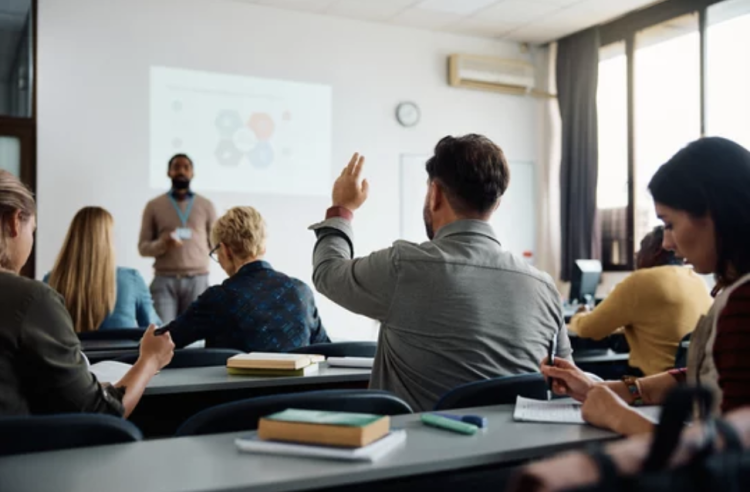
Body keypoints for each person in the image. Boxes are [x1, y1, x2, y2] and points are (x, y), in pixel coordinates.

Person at [309, 135, 571, 411]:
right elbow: (566, 381)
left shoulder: (405, 267)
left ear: (435, 194)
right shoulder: (544, 287)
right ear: (496, 203)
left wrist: (342, 208)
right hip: (518, 452)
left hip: (417, 452)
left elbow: (328, 272)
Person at [541, 137, 750, 436]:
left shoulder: (744, 302)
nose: (666, 242)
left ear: (712, 213)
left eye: (670, 224)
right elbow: (700, 378)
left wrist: (618, 417)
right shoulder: (724, 289)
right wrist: (601, 388)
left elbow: (731, 456)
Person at [0, 170, 174, 416]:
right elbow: (99, 410)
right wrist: (150, 360)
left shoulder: (51, 280)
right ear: (15, 222)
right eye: (33, 230)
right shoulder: (32, 299)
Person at [165, 206, 329, 352]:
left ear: (225, 250)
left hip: (235, 387)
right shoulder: (301, 292)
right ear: (263, 246)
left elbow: (165, 341)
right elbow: (327, 349)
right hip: (298, 387)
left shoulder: (218, 298)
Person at [568, 226, 712, 376]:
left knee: (586, 374)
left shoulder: (642, 280)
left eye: (640, 249)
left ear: (653, 251)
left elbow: (588, 329)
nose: (637, 255)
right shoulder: (697, 280)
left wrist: (578, 316)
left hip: (652, 383)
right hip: (691, 380)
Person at [45, 207, 162, 332]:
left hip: (72, 352)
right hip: (121, 352)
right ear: (107, 240)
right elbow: (156, 330)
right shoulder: (131, 280)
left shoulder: (51, 281)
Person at [139, 154, 217, 323]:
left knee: (196, 339)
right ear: (169, 172)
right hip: (164, 281)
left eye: (186, 167)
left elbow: (216, 244)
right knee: (163, 335)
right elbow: (143, 248)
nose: (181, 171)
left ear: (192, 173)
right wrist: (163, 244)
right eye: (176, 167)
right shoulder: (154, 205)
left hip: (198, 280)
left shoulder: (206, 205)